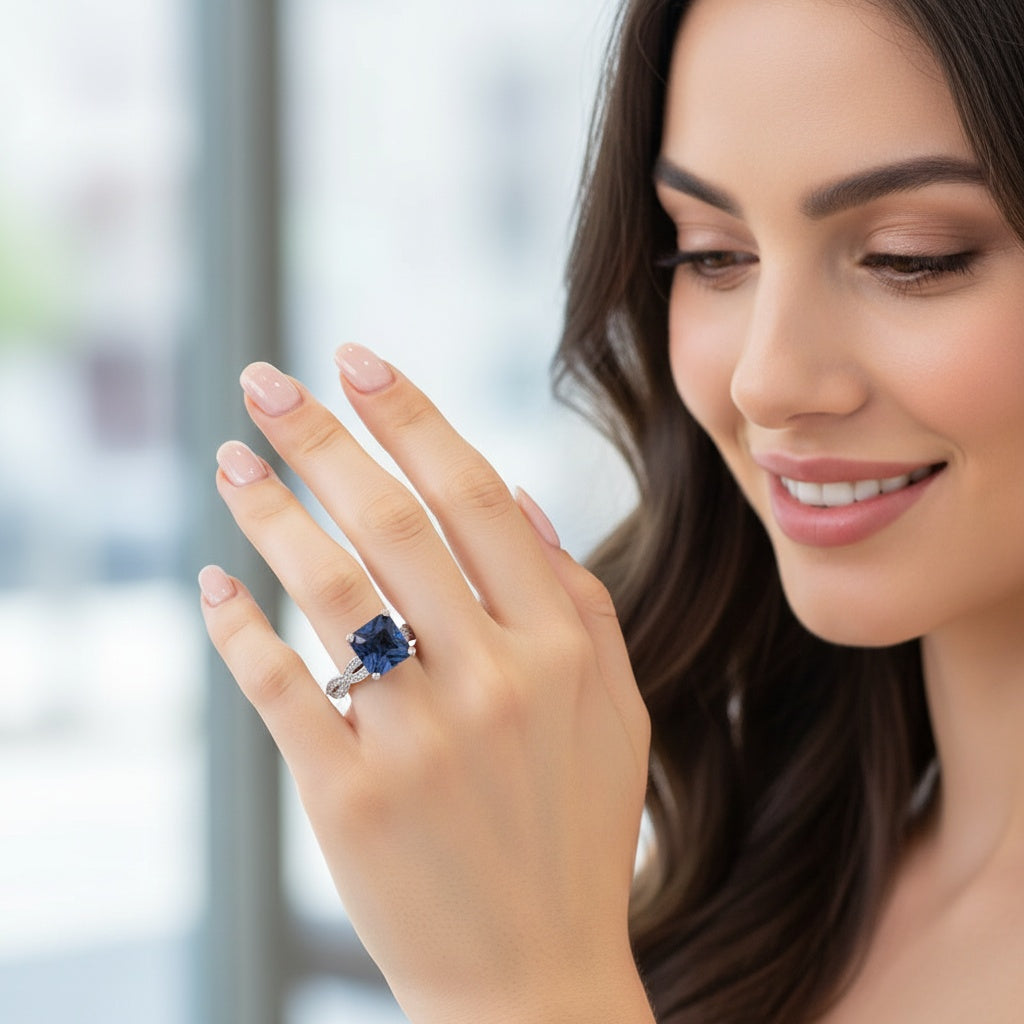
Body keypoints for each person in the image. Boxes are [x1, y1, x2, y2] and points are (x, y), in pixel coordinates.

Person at [198, 0, 1024, 1020]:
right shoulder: (753, 890)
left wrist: (524, 990)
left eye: (914, 254)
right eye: (710, 252)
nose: (764, 380)